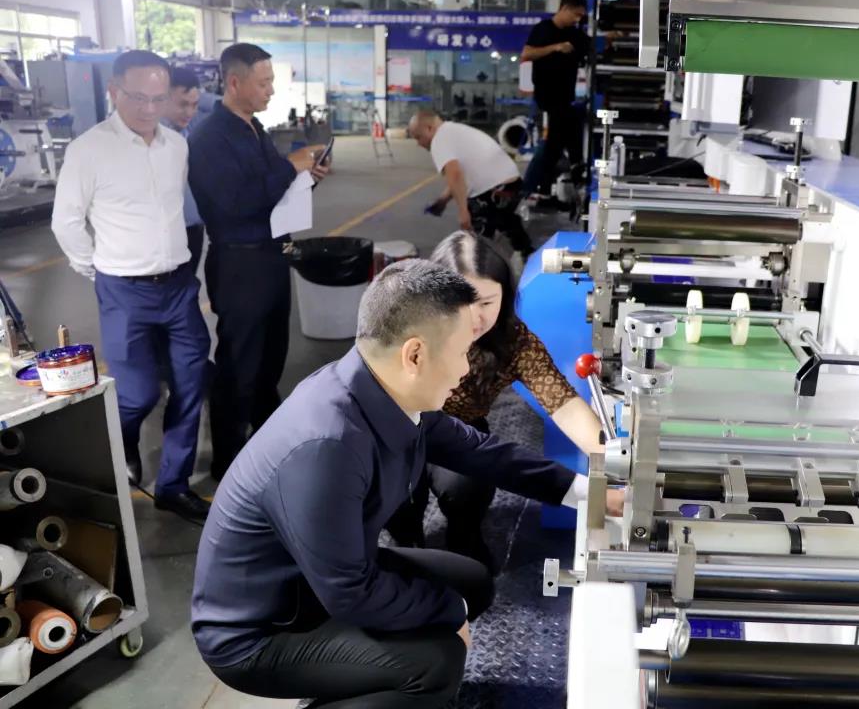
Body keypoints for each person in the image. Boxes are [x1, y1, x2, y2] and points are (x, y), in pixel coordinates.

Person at [191, 259, 622, 707]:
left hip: (319, 577)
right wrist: (449, 614)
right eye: (461, 353)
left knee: (471, 582)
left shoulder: (381, 388)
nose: (465, 370)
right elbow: (349, 594)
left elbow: (481, 451)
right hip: (263, 630)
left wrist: (592, 494)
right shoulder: (326, 445)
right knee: (436, 663)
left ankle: (357, 678)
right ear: (414, 355)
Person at [50, 50, 211, 521]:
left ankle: (174, 486)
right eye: (138, 97)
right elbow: (66, 222)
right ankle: (120, 446)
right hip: (123, 290)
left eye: (159, 99)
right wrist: (96, 269)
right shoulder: (89, 150)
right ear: (114, 91)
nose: (149, 108)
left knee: (190, 384)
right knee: (138, 393)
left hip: (178, 286)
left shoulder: (175, 145)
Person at [387, 232, 604, 568]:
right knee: (396, 498)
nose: (475, 318)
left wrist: (609, 457)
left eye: (487, 303)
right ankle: (406, 547)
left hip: (461, 431)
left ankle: (465, 545)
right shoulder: (406, 329)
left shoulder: (513, 340)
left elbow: (562, 403)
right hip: (400, 429)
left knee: (467, 489)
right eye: (461, 303)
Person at [187, 43, 329, 481]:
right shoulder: (210, 138)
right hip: (240, 266)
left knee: (269, 362)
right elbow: (236, 204)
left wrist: (305, 177)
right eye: (263, 83)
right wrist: (289, 167)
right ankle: (228, 463)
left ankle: (270, 445)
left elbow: (271, 192)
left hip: (270, 258)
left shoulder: (254, 127)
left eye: (271, 82)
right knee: (239, 367)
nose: (271, 91)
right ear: (235, 82)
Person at [408, 109, 534, 257]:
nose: (419, 143)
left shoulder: (439, 140)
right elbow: (463, 175)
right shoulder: (453, 130)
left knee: (476, 239)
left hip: (494, 190)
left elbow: (455, 175)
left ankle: (479, 266)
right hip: (512, 185)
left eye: (418, 137)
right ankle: (527, 252)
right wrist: (443, 200)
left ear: (429, 128)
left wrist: (463, 212)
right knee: (505, 219)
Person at [521, 0, 589, 196]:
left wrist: (612, 37)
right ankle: (529, 189)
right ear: (565, 8)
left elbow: (594, 45)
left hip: (565, 99)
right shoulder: (543, 29)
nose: (577, 19)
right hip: (546, 98)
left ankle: (543, 188)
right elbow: (527, 53)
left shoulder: (574, 34)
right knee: (551, 144)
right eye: (576, 14)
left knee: (558, 143)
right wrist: (555, 48)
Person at [162, 66, 206, 270]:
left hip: (193, 229)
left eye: (194, 104)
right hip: (168, 235)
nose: (189, 112)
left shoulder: (187, 130)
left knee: (188, 285)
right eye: (182, 104)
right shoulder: (153, 138)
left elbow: (218, 104)